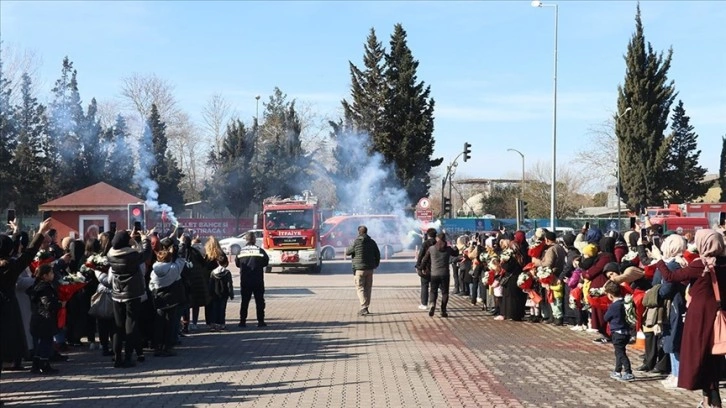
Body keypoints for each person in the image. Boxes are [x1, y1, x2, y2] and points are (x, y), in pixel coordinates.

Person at [658, 229, 726, 408]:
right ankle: (711, 401)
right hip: (718, 314)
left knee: (699, 358)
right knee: (713, 358)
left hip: (699, 316)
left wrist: (661, 260)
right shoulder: (722, 263)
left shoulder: (700, 264)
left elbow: (670, 277)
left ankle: (709, 401)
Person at [106, 228, 153, 368]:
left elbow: (120, 245)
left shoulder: (110, 255)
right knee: (131, 324)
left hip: (116, 293)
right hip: (132, 293)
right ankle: (128, 356)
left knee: (118, 326)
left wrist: (129, 239)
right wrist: (144, 239)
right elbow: (145, 253)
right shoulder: (131, 256)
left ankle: (117, 357)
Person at [236, 231, 269, 327]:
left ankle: (242, 322)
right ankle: (261, 321)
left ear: (246, 239)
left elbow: (238, 264)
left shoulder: (241, 251)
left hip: (245, 280)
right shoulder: (260, 250)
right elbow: (266, 262)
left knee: (244, 302)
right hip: (257, 280)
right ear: (254, 240)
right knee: (259, 301)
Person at [603, 280, 634, 382]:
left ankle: (628, 372)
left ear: (610, 295)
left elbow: (606, 317)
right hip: (626, 332)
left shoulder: (614, 306)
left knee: (621, 353)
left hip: (617, 333)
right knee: (619, 352)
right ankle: (617, 371)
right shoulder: (624, 303)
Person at [421, 232, 458, 317]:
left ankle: (432, 304)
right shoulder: (448, 249)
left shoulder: (431, 248)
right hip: (445, 274)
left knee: (433, 291)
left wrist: (422, 268)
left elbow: (425, 260)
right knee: (445, 293)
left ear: (437, 239)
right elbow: (456, 253)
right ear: (445, 239)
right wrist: (454, 246)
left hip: (434, 274)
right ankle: (443, 310)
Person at [346, 225, 380, 316]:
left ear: (359, 232)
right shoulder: (372, 242)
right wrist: (376, 264)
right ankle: (366, 307)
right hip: (370, 269)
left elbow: (348, 252)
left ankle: (364, 307)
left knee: (360, 288)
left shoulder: (356, 242)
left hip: (359, 269)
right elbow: (377, 254)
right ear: (366, 232)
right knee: (368, 288)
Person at [415, 228, 437, 311]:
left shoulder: (425, 243)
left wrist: (418, 266)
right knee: (434, 287)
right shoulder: (438, 243)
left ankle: (424, 304)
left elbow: (420, 256)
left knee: (424, 285)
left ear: (428, 235)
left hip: (426, 268)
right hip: (436, 268)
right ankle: (432, 303)